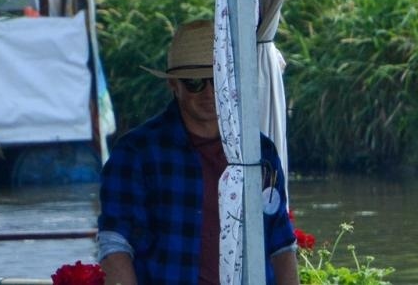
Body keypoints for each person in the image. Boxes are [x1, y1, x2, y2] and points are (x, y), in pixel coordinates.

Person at [98, 20, 298, 285]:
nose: (209, 92)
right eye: (194, 83)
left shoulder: (261, 152)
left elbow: (281, 242)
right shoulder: (135, 153)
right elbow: (115, 242)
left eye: (218, 81)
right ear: (173, 84)